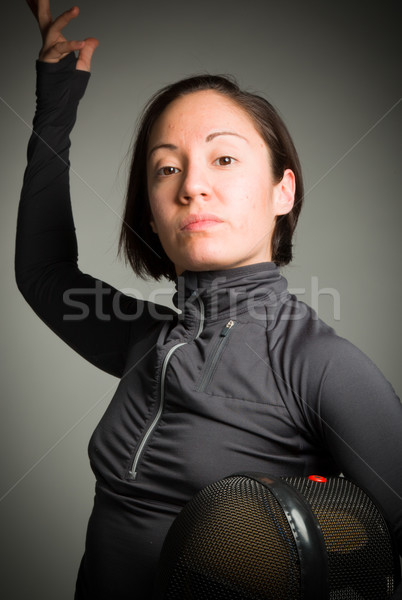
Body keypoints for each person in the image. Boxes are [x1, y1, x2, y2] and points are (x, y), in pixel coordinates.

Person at [16, 2, 402, 599]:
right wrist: (56, 102)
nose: (193, 183)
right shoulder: (145, 339)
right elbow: (42, 271)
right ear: (151, 208)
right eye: (166, 168)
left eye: (224, 159)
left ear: (282, 189)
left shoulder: (320, 365)